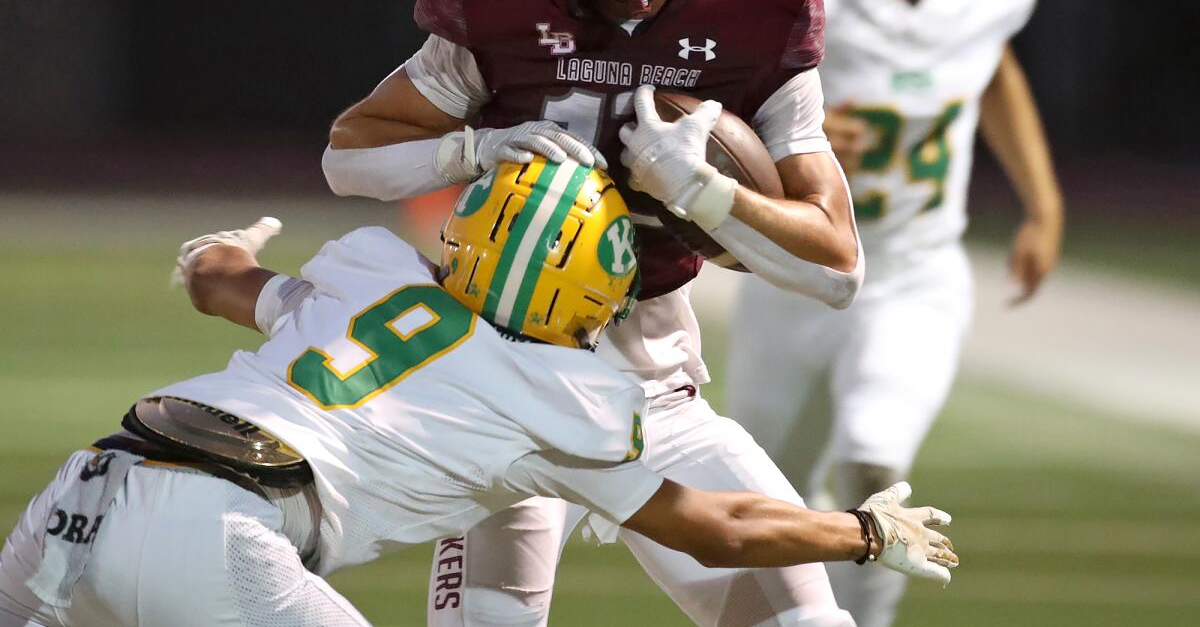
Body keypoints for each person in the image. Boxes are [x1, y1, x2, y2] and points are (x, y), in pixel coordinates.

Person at [321, 0, 868, 627]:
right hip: (500, 369)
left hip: (652, 371)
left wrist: (709, 196)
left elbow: (837, 271)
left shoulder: (759, 1)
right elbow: (349, 157)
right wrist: (475, 150)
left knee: (807, 624)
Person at [0, 162, 956, 627]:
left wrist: (219, 249)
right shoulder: (558, 392)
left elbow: (222, 282)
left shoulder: (374, 272)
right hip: (224, 538)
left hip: (86, 489)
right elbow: (718, 529)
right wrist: (862, 532)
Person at [725, 0, 1063, 627]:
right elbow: (714, 117)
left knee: (875, 467)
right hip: (792, 281)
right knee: (763, 493)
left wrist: (1042, 202)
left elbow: (992, 71)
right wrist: (780, 148)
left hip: (911, 273)